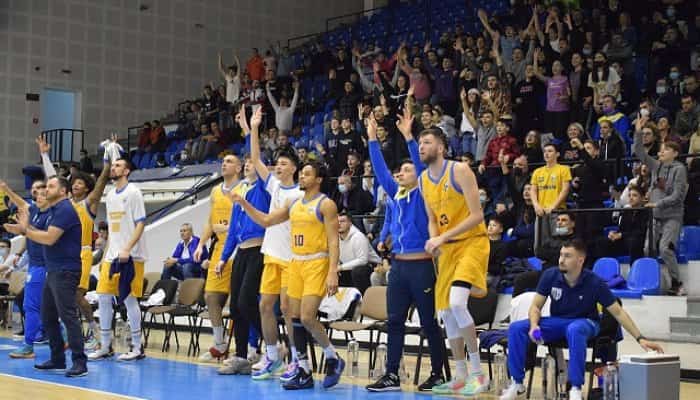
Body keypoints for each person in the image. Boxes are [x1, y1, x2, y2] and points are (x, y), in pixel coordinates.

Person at [499, 239, 664, 400]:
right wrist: (534, 325)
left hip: (587, 323)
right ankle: (517, 383)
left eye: (567, 256)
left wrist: (640, 338)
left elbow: (618, 312)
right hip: (558, 321)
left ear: (580, 260)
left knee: (575, 329)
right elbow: (535, 307)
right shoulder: (550, 275)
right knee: (516, 328)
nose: (561, 260)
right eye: (561, 255)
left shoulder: (594, 282)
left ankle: (575, 388)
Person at [232, 161, 346, 390]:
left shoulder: (326, 205)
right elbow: (266, 220)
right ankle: (303, 369)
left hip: (317, 262)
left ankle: (333, 357)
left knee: (306, 317)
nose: (302, 177)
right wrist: (244, 203)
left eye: (307, 174)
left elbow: (334, 240)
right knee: (293, 318)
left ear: (319, 179)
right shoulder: (294, 203)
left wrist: (333, 271)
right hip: (296, 262)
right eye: (301, 173)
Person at [364, 109, 449, 392]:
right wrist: (372, 140)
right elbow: (379, 169)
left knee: (428, 322)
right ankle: (391, 375)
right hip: (399, 268)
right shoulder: (395, 195)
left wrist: (409, 137)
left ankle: (438, 373)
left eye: (407, 169)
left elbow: (420, 165)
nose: (401, 173)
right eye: (399, 171)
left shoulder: (424, 189)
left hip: (422, 267)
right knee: (395, 321)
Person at [418, 127, 490, 395]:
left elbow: (477, 215)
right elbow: (431, 220)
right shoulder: (424, 179)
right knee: (446, 313)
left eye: (427, 142)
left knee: (459, 303)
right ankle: (460, 375)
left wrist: (441, 237)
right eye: (419, 143)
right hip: (447, 250)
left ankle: (479, 374)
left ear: (441, 147)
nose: (421, 147)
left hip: (473, 243)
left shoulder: (459, 170)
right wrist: (433, 240)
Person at [240, 107, 304, 381]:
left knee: (288, 311)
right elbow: (255, 157)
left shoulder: (299, 194)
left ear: (295, 168)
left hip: (292, 259)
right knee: (265, 306)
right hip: (271, 256)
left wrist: (243, 204)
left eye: (284, 164)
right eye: (277, 163)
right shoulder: (274, 186)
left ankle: (295, 358)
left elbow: (267, 221)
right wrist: (254, 127)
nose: (278, 166)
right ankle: (272, 355)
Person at [4, 176, 87, 377]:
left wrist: (25, 230)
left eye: (50, 186)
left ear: (62, 191)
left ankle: (80, 362)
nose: (45, 189)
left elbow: (49, 238)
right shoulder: (53, 210)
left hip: (66, 270)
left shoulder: (65, 210)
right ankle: (58, 359)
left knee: (68, 316)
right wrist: (23, 229)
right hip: (53, 270)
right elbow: (39, 232)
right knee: (48, 316)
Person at [38, 134, 112, 352]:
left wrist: (106, 167)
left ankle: (94, 332)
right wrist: (44, 154)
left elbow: (99, 186)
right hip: (63, 255)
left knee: (76, 297)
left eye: (80, 183)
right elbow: (53, 179)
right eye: (74, 183)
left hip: (83, 254)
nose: (76, 185)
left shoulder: (88, 205)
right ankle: (76, 334)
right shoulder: (65, 204)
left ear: (86, 188)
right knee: (63, 301)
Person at [216, 140, 271, 375]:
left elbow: (256, 159)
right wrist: (223, 257)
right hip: (241, 252)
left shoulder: (263, 189)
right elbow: (231, 232)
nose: (248, 165)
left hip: (258, 250)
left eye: (251, 163)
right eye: (246, 162)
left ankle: (272, 345)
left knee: (247, 300)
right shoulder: (239, 193)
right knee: (236, 307)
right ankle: (240, 356)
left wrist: (251, 132)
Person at [88, 158, 148, 361]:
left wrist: (127, 248)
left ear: (127, 171)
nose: (114, 168)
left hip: (132, 256)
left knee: (130, 300)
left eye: (118, 165)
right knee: (103, 297)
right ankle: (105, 345)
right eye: (112, 166)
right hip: (111, 256)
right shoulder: (111, 194)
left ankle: (137, 347)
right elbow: (113, 231)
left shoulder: (134, 192)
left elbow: (140, 224)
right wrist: (108, 253)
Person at [632, 116, 688, 295]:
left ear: (675, 153)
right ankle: (653, 281)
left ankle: (677, 282)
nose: (661, 153)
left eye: (665, 150)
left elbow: (678, 196)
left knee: (665, 248)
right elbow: (639, 152)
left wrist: (658, 203)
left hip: (672, 216)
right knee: (647, 248)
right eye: (661, 150)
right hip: (655, 216)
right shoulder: (656, 166)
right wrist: (638, 132)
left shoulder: (680, 169)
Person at [2, 180, 48, 359]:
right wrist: (7, 189)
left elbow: (42, 235)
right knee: (45, 307)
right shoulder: (35, 212)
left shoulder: (50, 215)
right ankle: (62, 335)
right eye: (35, 191)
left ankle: (28, 346)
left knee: (31, 306)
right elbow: (22, 204)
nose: (36, 194)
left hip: (43, 266)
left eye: (41, 192)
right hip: (36, 265)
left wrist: (24, 228)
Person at [530, 144, 572, 257]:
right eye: (545, 151)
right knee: (539, 244)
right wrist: (536, 206)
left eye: (550, 151)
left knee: (557, 242)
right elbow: (533, 190)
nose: (546, 154)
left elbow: (565, 189)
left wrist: (554, 206)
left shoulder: (563, 169)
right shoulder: (537, 171)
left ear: (557, 154)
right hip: (541, 212)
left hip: (557, 211)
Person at [337, 211, 381, 296]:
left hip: (372, 267)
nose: (339, 224)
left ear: (350, 223)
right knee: (333, 272)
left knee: (358, 271)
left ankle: (364, 299)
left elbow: (363, 260)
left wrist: (340, 267)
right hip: (349, 268)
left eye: (342, 221)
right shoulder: (335, 238)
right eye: (337, 222)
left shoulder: (358, 236)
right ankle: (340, 303)